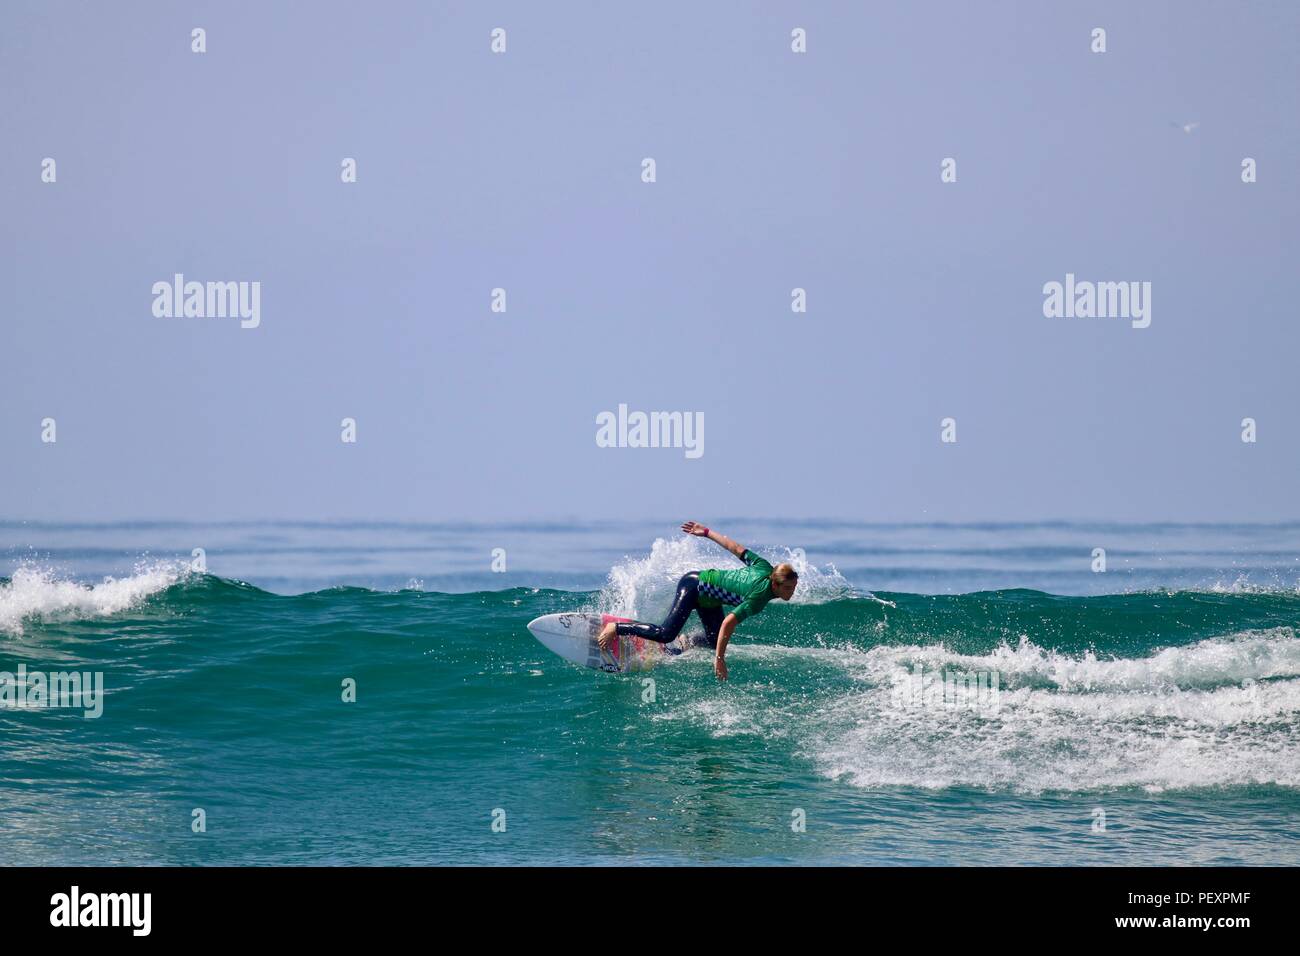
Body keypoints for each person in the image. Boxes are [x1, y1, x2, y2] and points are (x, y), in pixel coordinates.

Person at [596, 522, 798, 681]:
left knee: (712, 641)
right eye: (788, 588)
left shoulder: (764, 566)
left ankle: (686, 642)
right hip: (694, 586)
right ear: (776, 584)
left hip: (709, 600)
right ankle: (617, 628)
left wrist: (707, 532)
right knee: (666, 634)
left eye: (794, 586)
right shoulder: (759, 598)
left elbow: (735, 548)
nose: (792, 591)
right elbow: (728, 623)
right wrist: (720, 660)